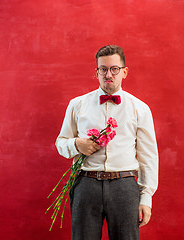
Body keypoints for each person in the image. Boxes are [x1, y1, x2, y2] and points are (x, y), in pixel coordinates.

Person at [55, 45, 158, 240]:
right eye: (103, 69)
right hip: (85, 184)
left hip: (125, 185)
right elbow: (61, 143)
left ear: (124, 72)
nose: (108, 74)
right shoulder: (77, 105)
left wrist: (146, 198)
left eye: (114, 69)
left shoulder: (140, 108)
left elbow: (148, 157)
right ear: (96, 72)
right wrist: (77, 144)